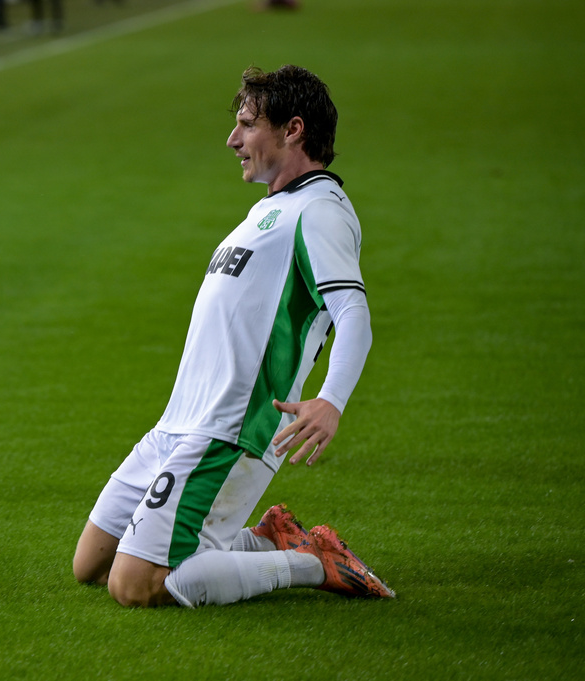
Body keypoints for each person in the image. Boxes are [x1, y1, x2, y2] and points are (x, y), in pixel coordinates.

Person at [72, 65, 395, 608]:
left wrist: (331, 400)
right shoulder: (270, 209)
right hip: (176, 424)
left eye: (247, 124)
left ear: (293, 130)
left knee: (135, 585)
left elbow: (353, 311)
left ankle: (313, 562)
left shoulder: (319, 211)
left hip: (229, 430)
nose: (233, 139)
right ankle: (267, 539)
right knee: (92, 565)